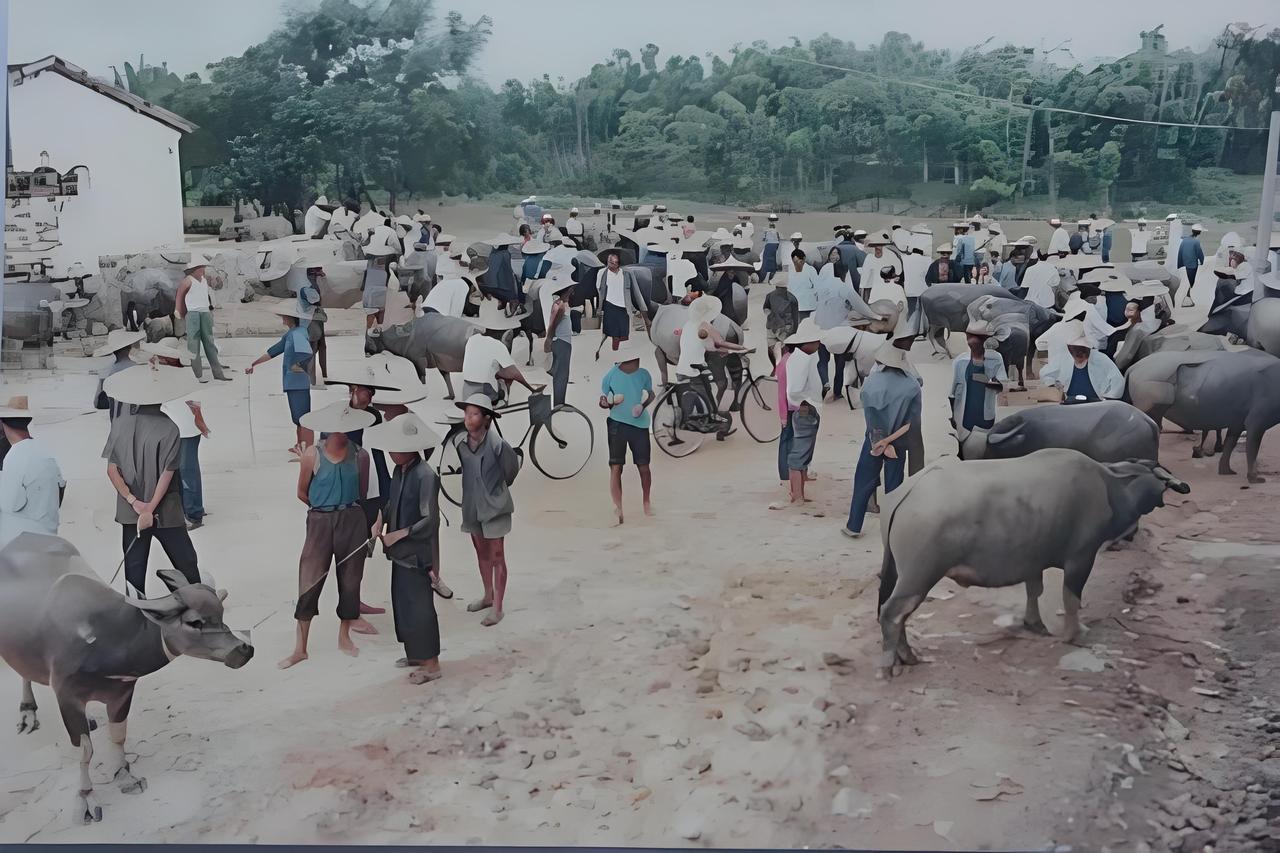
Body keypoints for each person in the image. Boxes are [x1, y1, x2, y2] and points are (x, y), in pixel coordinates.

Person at [279, 403, 375, 668]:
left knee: (351, 579)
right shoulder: (312, 454)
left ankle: (344, 635)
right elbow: (302, 492)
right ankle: (301, 647)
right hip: (320, 520)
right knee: (309, 579)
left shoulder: (360, 455)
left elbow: (363, 491)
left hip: (352, 519)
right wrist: (322, 507)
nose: (340, 433)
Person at [101, 365, 205, 598]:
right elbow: (167, 475)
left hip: (131, 512)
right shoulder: (170, 428)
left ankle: (136, 618)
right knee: (186, 563)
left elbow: (112, 471)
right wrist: (150, 507)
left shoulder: (119, 426)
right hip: (165, 511)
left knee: (134, 572)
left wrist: (135, 502)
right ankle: (201, 608)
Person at [363, 414, 446, 684]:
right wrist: (380, 520)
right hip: (399, 553)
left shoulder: (425, 476)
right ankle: (414, 653)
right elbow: (391, 504)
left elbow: (429, 520)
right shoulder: (399, 472)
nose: (391, 453)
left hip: (417, 553)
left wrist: (397, 535)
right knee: (403, 606)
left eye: (395, 448)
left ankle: (431, 663)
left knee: (420, 607)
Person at [452, 394, 521, 627]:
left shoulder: (498, 444)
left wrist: (496, 490)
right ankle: (487, 595)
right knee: (480, 552)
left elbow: (511, 470)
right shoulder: (461, 443)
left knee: (497, 554)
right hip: (472, 505)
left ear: (486, 418)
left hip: (495, 506)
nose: (468, 419)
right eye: (466, 414)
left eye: (473, 414)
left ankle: (498, 608)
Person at [841, 343, 921, 538]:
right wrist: (890, 442)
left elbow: (870, 419)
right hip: (899, 443)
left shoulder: (871, 383)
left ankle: (853, 526)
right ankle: (893, 530)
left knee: (863, 481)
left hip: (873, 440)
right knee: (895, 486)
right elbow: (912, 424)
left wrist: (881, 442)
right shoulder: (912, 385)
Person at [144, 338, 211, 530]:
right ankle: (191, 507)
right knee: (183, 471)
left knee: (187, 473)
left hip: (186, 431)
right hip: (180, 430)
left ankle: (194, 514)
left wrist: (200, 422)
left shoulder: (180, 375)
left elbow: (194, 404)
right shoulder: (171, 373)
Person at [246, 303, 315, 453]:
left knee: (302, 418)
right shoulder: (292, 333)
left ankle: (307, 450)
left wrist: (298, 364)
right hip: (292, 382)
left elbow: (307, 352)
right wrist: (254, 363)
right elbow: (274, 351)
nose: (282, 318)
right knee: (297, 417)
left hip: (298, 382)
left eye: (284, 316)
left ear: (291, 318)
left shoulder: (298, 333)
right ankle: (299, 446)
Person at [599, 344, 655, 526]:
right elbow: (603, 399)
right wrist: (606, 403)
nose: (637, 363)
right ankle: (618, 507)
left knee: (644, 466)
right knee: (616, 467)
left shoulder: (644, 374)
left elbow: (651, 394)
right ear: (624, 361)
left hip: (640, 424)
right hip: (617, 424)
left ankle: (646, 502)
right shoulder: (611, 376)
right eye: (633, 361)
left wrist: (643, 406)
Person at [771, 319, 823, 511]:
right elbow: (790, 390)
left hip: (800, 408)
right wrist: (801, 405)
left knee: (800, 451)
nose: (818, 344)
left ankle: (798, 491)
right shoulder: (796, 361)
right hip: (799, 409)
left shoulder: (797, 358)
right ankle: (796, 493)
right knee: (796, 452)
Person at [0, 397, 65, 548]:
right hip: (49, 537)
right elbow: (60, 492)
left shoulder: (14, 457)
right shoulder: (43, 450)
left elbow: (10, 505)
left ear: (3, 422)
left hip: (25, 544)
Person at [174, 254, 231, 384]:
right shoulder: (187, 281)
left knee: (209, 343)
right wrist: (179, 313)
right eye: (201, 267)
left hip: (205, 312)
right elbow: (179, 297)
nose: (203, 269)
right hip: (193, 314)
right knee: (193, 345)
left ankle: (218, 373)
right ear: (195, 268)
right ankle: (198, 375)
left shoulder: (204, 279)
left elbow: (215, 287)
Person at [949, 321, 1007, 440]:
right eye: (970, 337)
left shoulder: (995, 359)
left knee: (983, 446)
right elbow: (953, 394)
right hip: (965, 418)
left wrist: (984, 380)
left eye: (978, 338)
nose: (972, 341)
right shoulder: (960, 362)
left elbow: (1002, 386)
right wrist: (954, 416)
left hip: (986, 418)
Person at [461, 329, 544, 405]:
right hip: (485, 393)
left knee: (496, 373)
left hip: (466, 392)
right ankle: (504, 400)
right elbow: (515, 374)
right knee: (503, 382)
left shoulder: (472, 340)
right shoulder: (498, 345)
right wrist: (531, 388)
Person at [1041, 335, 1125, 403]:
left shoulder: (1101, 359)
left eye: (1082, 348)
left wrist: (1107, 399)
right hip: (1068, 404)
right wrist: (1055, 387)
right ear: (1069, 348)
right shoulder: (1062, 358)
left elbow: (1118, 381)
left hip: (1095, 405)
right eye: (1075, 348)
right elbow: (1045, 374)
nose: (1079, 352)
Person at [596, 248, 645, 352]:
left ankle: (620, 352)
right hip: (609, 304)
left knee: (624, 334)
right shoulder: (602, 273)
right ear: (607, 261)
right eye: (611, 262)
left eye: (615, 262)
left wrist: (641, 307)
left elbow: (636, 291)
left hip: (624, 306)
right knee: (614, 334)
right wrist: (599, 308)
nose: (613, 264)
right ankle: (616, 353)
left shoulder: (627, 273)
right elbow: (599, 289)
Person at [93, 328, 146, 421]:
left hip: (117, 418)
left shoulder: (107, 370)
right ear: (129, 348)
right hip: (136, 417)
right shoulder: (138, 368)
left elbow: (97, 403)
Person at [543, 273, 576, 407]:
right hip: (562, 341)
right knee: (562, 374)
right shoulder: (561, 305)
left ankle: (559, 401)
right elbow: (554, 323)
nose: (573, 291)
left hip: (561, 340)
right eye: (571, 288)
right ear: (567, 290)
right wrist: (549, 338)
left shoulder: (560, 304)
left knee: (560, 373)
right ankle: (559, 403)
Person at [297, 262, 329, 385]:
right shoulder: (309, 286)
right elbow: (316, 299)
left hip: (314, 320)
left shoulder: (309, 284)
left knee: (317, 349)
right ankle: (312, 381)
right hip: (311, 322)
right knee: (313, 350)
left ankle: (319, 377)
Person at [763, 274, 800, 368]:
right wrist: (795, 333)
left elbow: (765, 309)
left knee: (772, 349)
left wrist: (773, 315)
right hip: (786, 328)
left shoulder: (769, 295)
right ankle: (783, 370)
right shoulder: (792, 298)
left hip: (771, 327)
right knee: (786, 351)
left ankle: (775, 368)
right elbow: (796, 318)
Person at [785, 248, 819, 321]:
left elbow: (818, 286)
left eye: (799, 261)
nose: (796, 264)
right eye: (794, 262)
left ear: (804, 259)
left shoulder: (811, 270)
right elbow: (789, 287)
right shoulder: (791, 271)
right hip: (795, 306)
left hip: (808, 306)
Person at [1177, 224, 1205, 308]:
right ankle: (1187, 300)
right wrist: (1202, 261)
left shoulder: (1184, 240)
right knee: (1191, 282)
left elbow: (1180, 251)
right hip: (1193, 264)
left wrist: (1180, 263)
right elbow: (1199, 253)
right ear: (1199, 232)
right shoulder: (1196, 242)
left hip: (1185, 263)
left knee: (1188, 280)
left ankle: (1187, 298)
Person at [760, 215, 782, 281]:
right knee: (773, 262)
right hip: (775, 245)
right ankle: (772, 277)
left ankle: (765, 277)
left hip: (769, 245)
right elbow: (779, 239)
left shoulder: (766, 230)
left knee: (766, 262)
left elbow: (763, 239)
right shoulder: (776, 230)